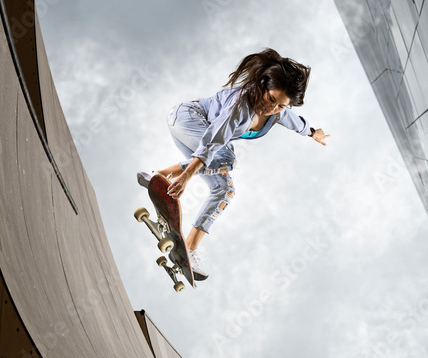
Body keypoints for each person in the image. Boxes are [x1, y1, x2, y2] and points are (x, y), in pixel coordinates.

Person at [138, 48, 330, 281]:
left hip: (199, 139)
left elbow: (295, 122)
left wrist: (312, 133)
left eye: (280, 105)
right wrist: (186, 178)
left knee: (225, 190)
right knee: (227, 157)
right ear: (262, 86)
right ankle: (162, 174)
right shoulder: (240, 107)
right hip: (187, 118)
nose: (272, 109)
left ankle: (189, 248)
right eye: (271, 100)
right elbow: (212, 143)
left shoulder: (278, 112)